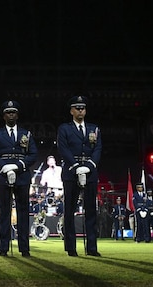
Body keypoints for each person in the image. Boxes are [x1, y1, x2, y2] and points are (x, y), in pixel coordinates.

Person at [0, 100, 38, 257]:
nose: (11, 115)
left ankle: (24, 248)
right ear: (4, 116)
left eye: (13, 112)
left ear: (17, 115)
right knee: (4, 212)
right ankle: (3, 247)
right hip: (3, 176)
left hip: (22, 175)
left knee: (23, 212)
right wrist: (5, 167)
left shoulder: (26, 134)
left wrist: (17, 166)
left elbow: (33, 155)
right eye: (8, 112)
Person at [57, 95, 102, 257]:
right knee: (69, 210)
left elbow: (97, 149)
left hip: (90, 172)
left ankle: (91, 247)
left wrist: (88, 167)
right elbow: (63, 148)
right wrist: (76, 167)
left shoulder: (93, 128)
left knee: (91, 210)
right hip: (71, 171)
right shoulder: (65, 128)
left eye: (83, 108)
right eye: (77, 108)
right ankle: (71, 247)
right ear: (71, 111)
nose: (80, 110)